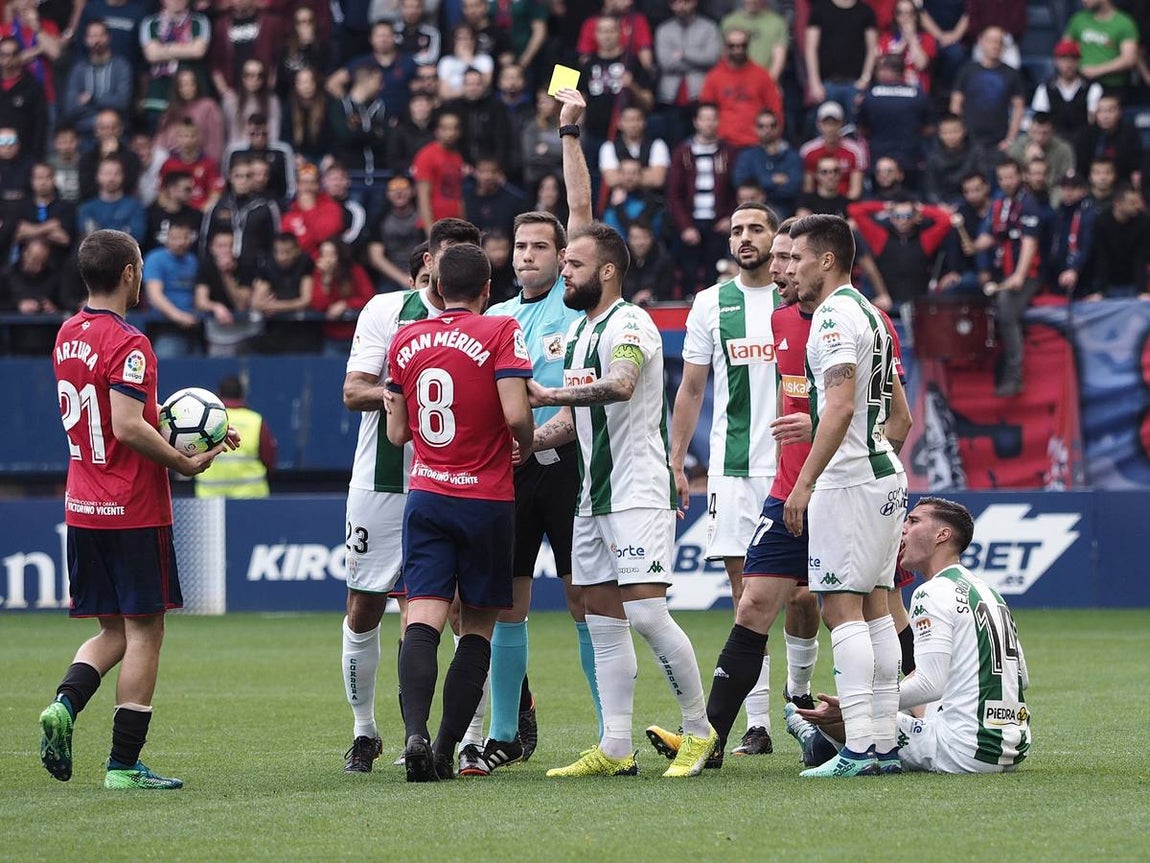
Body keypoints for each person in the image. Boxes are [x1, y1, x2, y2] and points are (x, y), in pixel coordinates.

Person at [39, 228, 231, 791]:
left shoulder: (66, 333)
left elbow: (118, 415)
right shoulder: (130, 343)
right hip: (133, 508)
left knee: (112, 632)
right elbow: (125, 425)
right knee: (145, 633)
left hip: (82, 504)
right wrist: (183, 461)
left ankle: (65, 706)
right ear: (128, 273)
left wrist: (193, 436)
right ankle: (123, 765)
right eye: (141, 266)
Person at [530, 222, 718, 779]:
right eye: (563, 264)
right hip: (592, 495)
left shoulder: (630, 321)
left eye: (575, 265)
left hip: (637, 490)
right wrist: (525, 442)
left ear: (607, 271)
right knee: (600, 618)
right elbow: (572, 417)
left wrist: (548, 393)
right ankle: (615, 746)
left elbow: (621, 384)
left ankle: (700, 730)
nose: (564, 272)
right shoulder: (581, 332)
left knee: (646, 613)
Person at [466, 88, 594, 777]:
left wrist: (570, 131)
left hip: (568, 465)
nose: (527, 256)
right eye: (518, 247)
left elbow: (580, 212)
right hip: (513, 469)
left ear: (562, 253)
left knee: (583, 601)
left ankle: (611, 734)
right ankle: (505, 732)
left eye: (540, 247)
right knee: (506, 603)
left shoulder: (578, 307)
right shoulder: (500, 319)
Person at [384, 241, 535, 782]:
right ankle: (448, 747)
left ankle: (415, 735)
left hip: (426, 496)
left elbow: (397, 432)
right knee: (476, 629)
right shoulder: (500, 331)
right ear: (488, 290)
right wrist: (525, 441)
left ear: (437, 287)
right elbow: (516, 414)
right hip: (486, 500)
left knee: (421, 617)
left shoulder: (406, 338)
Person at [339, 218, 479, 773]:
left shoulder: (484, 317)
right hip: (384, 482)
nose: (447, 271)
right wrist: (408, 391)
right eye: (443, 258)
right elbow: (353, 391)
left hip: (454, 482)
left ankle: (458, 739)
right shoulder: (386, 310)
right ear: (425, 260)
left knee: (459, 611)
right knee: (364, 605)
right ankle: (365, 731)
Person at [781, 213, 908, 778]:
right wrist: (869, 450)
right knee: (877, 608)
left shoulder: (831, 316)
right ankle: (881, 744)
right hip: (883, 474)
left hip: (849, 480)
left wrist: (805, 483)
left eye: (798, 258)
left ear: (826, 260)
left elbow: (839, 405)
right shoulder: (873, 315)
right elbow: (899, 415)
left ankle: (857, 747)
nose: (791, 268)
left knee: (841, 609)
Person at [790, 497, 1031, 774]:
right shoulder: (989, 592)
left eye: (914, 521)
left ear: (942, 535)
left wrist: (853, 705)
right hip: (1012, 747)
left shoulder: (931, 592)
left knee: (845, 712)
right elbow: (1022, 677)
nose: (903, 528)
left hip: (963, 751)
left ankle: (810, 737)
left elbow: (929, 685)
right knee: (895, 705)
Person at [666, 202, 783, 759]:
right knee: (747, 598)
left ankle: (800, 705)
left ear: (775, 236)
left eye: (755, 228)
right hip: (734, 472)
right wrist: (676, 461)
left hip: (795, 468)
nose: (744, 237)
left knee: (806, 598)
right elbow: (690, 390)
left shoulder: (799, 298)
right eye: (736, 230)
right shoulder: (710, 304)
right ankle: (756, 724)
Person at [195, 375, 276, 497]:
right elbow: (269, 460)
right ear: (242, 395)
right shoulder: (255, 420)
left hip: (210, 501)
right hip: (250, 498)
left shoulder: (206, 421)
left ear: (218, 394)